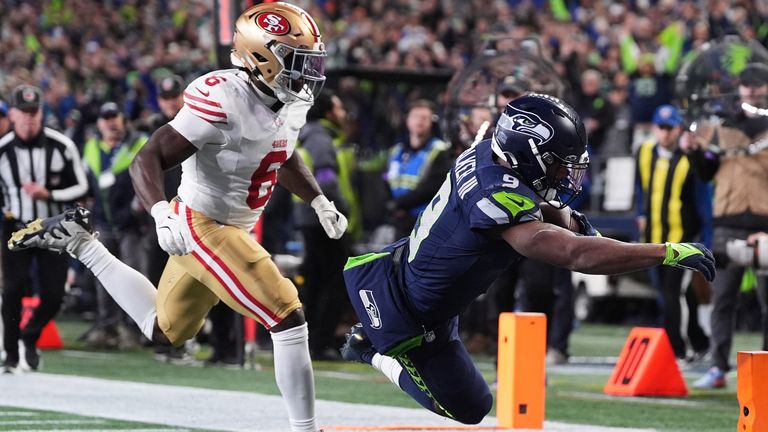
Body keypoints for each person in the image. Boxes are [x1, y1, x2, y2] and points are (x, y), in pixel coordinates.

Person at [9, 3, 344, 431]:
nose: (309, 73)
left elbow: (281, 153)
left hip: (228, 227)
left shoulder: (287, 102)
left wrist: (316, 200)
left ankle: (81, 244)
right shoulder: (223, 100)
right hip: (204, 224)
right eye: (299, 62)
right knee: (286, 314)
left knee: (164, 330)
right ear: (262, 57)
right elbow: (145, 159)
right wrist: (161, 212)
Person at [339, 94, 715, 424]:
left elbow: (541, 206)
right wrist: (666, 252)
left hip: (428, 287)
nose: (565, 174)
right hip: (410, 311)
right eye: (556, 163)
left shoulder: (490, 152)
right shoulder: (495, 193)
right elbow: (574, 254)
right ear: (526, 151)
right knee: (470, 408)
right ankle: (371, 349)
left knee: (477, 402)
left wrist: (577, 224)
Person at [686, 65, 768, 389]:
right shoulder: (721, 127)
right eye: (747, 85)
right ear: (740, 88)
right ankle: (718, 367)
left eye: (758, 86)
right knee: (722, 299)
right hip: (728, 223)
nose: (752, 91)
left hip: (764, 224)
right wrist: (694, 153)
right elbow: (706, 171)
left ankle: (765, 368)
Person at [0, 85, 88, 373]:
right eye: (23, 113)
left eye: (33, 112)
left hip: (52, 228)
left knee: (54, 294)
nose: (29, 118)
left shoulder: (61, 145)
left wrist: (49, 194)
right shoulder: (3, 150)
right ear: (12, 114)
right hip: (15, 226)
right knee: (12, 290)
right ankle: (11, 354)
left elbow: (82, 186)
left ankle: (30, 336)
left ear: (41, 112)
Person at [635, 104, 711, 362]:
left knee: (672, 294)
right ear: (655, 128)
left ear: (680, 129)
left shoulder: (689, 157)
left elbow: (702, 199)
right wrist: (640, 214)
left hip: (682, 241)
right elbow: (640, 187)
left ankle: (676, 349)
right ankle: (699, 341)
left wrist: (704, 239)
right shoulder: (644, 152)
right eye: (662, 128)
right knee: (675, 295)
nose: (666, 133)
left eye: (671, 128)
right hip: (653, 239)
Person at [79, 102, 148, 349]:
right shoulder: (92, 147)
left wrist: (134, 212)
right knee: (103, 276)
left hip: (132, 224)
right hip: (102, 222)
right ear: (99, 123)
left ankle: (134, 329)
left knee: (134, 276)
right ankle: (107, 327)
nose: (111, 122)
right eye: (106, 118)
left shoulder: (139, 143)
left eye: (115, 117)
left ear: (123, 119)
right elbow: (86, 184)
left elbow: (146, 181)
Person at [295, 90, 356, 360]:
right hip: (323, 221)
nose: (343, 114)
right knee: (335, 281)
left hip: (309, 219)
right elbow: (326, 177)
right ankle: (321, 343)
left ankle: (309, 342)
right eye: (339, 108)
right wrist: (340, 209)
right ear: (328, 112)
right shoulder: (321, 137)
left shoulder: (311, 133)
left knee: (318, 281)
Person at [386, 99, 453, 239]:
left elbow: (432, 187)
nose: (419, 121)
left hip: (425, 221)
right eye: (415, 116)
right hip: (398, 220)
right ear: (407, 120)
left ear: (431, 122)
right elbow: (386, 180)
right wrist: (390, 206)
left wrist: (398, 204)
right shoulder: (396, 151)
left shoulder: (439, 150)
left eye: (424, 118)